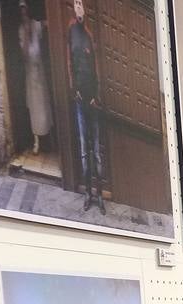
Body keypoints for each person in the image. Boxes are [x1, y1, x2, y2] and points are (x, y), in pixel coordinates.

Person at [66, 0, 103, 213]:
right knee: (83, 150)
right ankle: (88, 194)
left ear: (84, 10)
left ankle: (99, 195)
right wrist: (75, 91)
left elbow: (95, 68)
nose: (79, 8)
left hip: (92, 101)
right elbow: (70, 63)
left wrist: (95, 95)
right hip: (80, 100)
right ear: (73, 8)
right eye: (76, 4)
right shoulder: (71, 32)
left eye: (81, 4)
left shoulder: (89, 34)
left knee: (96, 150)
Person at [18, 1, 51, 155]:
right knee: (34, 108)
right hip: (30, 74)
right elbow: (24, 55)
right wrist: (26, 35)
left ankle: (48, 140)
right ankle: (36, 142)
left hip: (40, 71)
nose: (24, 13)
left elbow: (46, 23)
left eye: (25, 10)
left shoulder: (35, 24)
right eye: (21, 11)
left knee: (45, 106)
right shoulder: (21, 30)